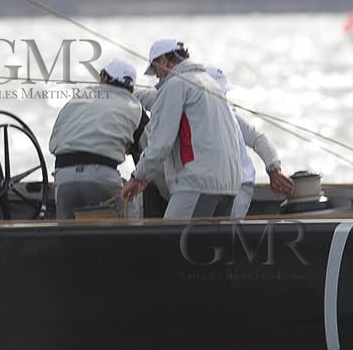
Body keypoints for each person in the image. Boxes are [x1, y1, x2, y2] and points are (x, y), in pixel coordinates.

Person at [121, 38, 242, 218]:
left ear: (164, 60)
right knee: (206, 238)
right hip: (230, 185)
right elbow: (156, 99)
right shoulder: (209, 83)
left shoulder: (175, 85)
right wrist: (128, 93)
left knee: (171, 234)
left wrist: (137, 177)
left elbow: (160, 145)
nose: (157, 76)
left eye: (155, 69)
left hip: (199, 182)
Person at [47, 58, 148, 220]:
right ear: (131, 87)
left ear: (104, 77)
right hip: (102, 176)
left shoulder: (79, 97)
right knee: (130, 213)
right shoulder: (135, 106)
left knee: (66, 231)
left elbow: (55, 138)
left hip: (63, 175)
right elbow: (148, 150)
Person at [205, 65, 297, 216]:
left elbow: (259, 140)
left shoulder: (231, 116)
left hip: (240, 185)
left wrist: (274, 170)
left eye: (224, 94)